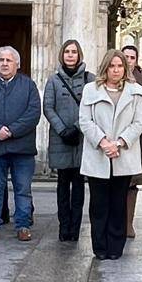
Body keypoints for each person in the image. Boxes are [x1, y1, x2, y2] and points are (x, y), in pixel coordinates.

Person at [80, 50, 142, 260]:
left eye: (120, 66)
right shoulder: (91, 90)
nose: (116, 70)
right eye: (112, 66)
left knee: (118, 203)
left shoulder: (135, 92)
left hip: (122, 154)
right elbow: (85, 120)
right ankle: (100, 246)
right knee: (98, 204)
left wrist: (119, 142)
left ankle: (115, 246)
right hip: (98, 153)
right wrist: (102, 142)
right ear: (105, 68)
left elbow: (139, 122)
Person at [0, 46, 41, 242]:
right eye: (1, 60)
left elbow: (33, 113)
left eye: (9, 60)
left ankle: (23, 226)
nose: (4, 64)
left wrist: (12, 130)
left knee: (23, 190)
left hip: (22, 149)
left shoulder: (28, 85)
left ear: (18, 64)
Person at [44, 40, 93, 242]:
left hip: (81, 139)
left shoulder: (90, 80)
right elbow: (48, 108)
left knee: (79, 186)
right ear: (62, 55)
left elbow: (92, 107)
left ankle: (75, 228)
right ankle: (64, 227)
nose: (70, 55)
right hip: (61, 138)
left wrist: (77, 127)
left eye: (74, 52)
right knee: (63, 186)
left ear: (79, 55)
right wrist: (63, 129)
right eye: (67, 52)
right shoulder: (53, 81)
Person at [121, 44, 142, 238]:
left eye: (132, 57)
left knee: (132, 184)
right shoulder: (111, 79)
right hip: (113, 141)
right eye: (125, 56)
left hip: (136, 140)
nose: (129, 60)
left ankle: (128, 223)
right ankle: (116, 221)